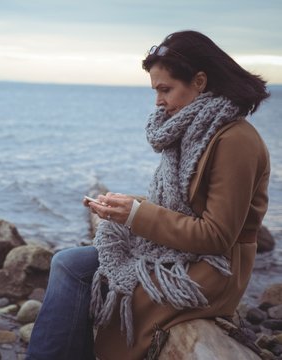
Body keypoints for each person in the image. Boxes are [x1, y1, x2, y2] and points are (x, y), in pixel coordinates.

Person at [26, 30, 271, 360]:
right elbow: (180, 207)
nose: (158, 101)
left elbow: (216, 235)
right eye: (156, 90)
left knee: (78, 275)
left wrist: (135, 215)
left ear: (199, 81)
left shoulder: (235, 140)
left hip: (213, 269)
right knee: (68, 262)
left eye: (165, 89)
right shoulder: (193, 129)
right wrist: (126, 206)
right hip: (180, 253)